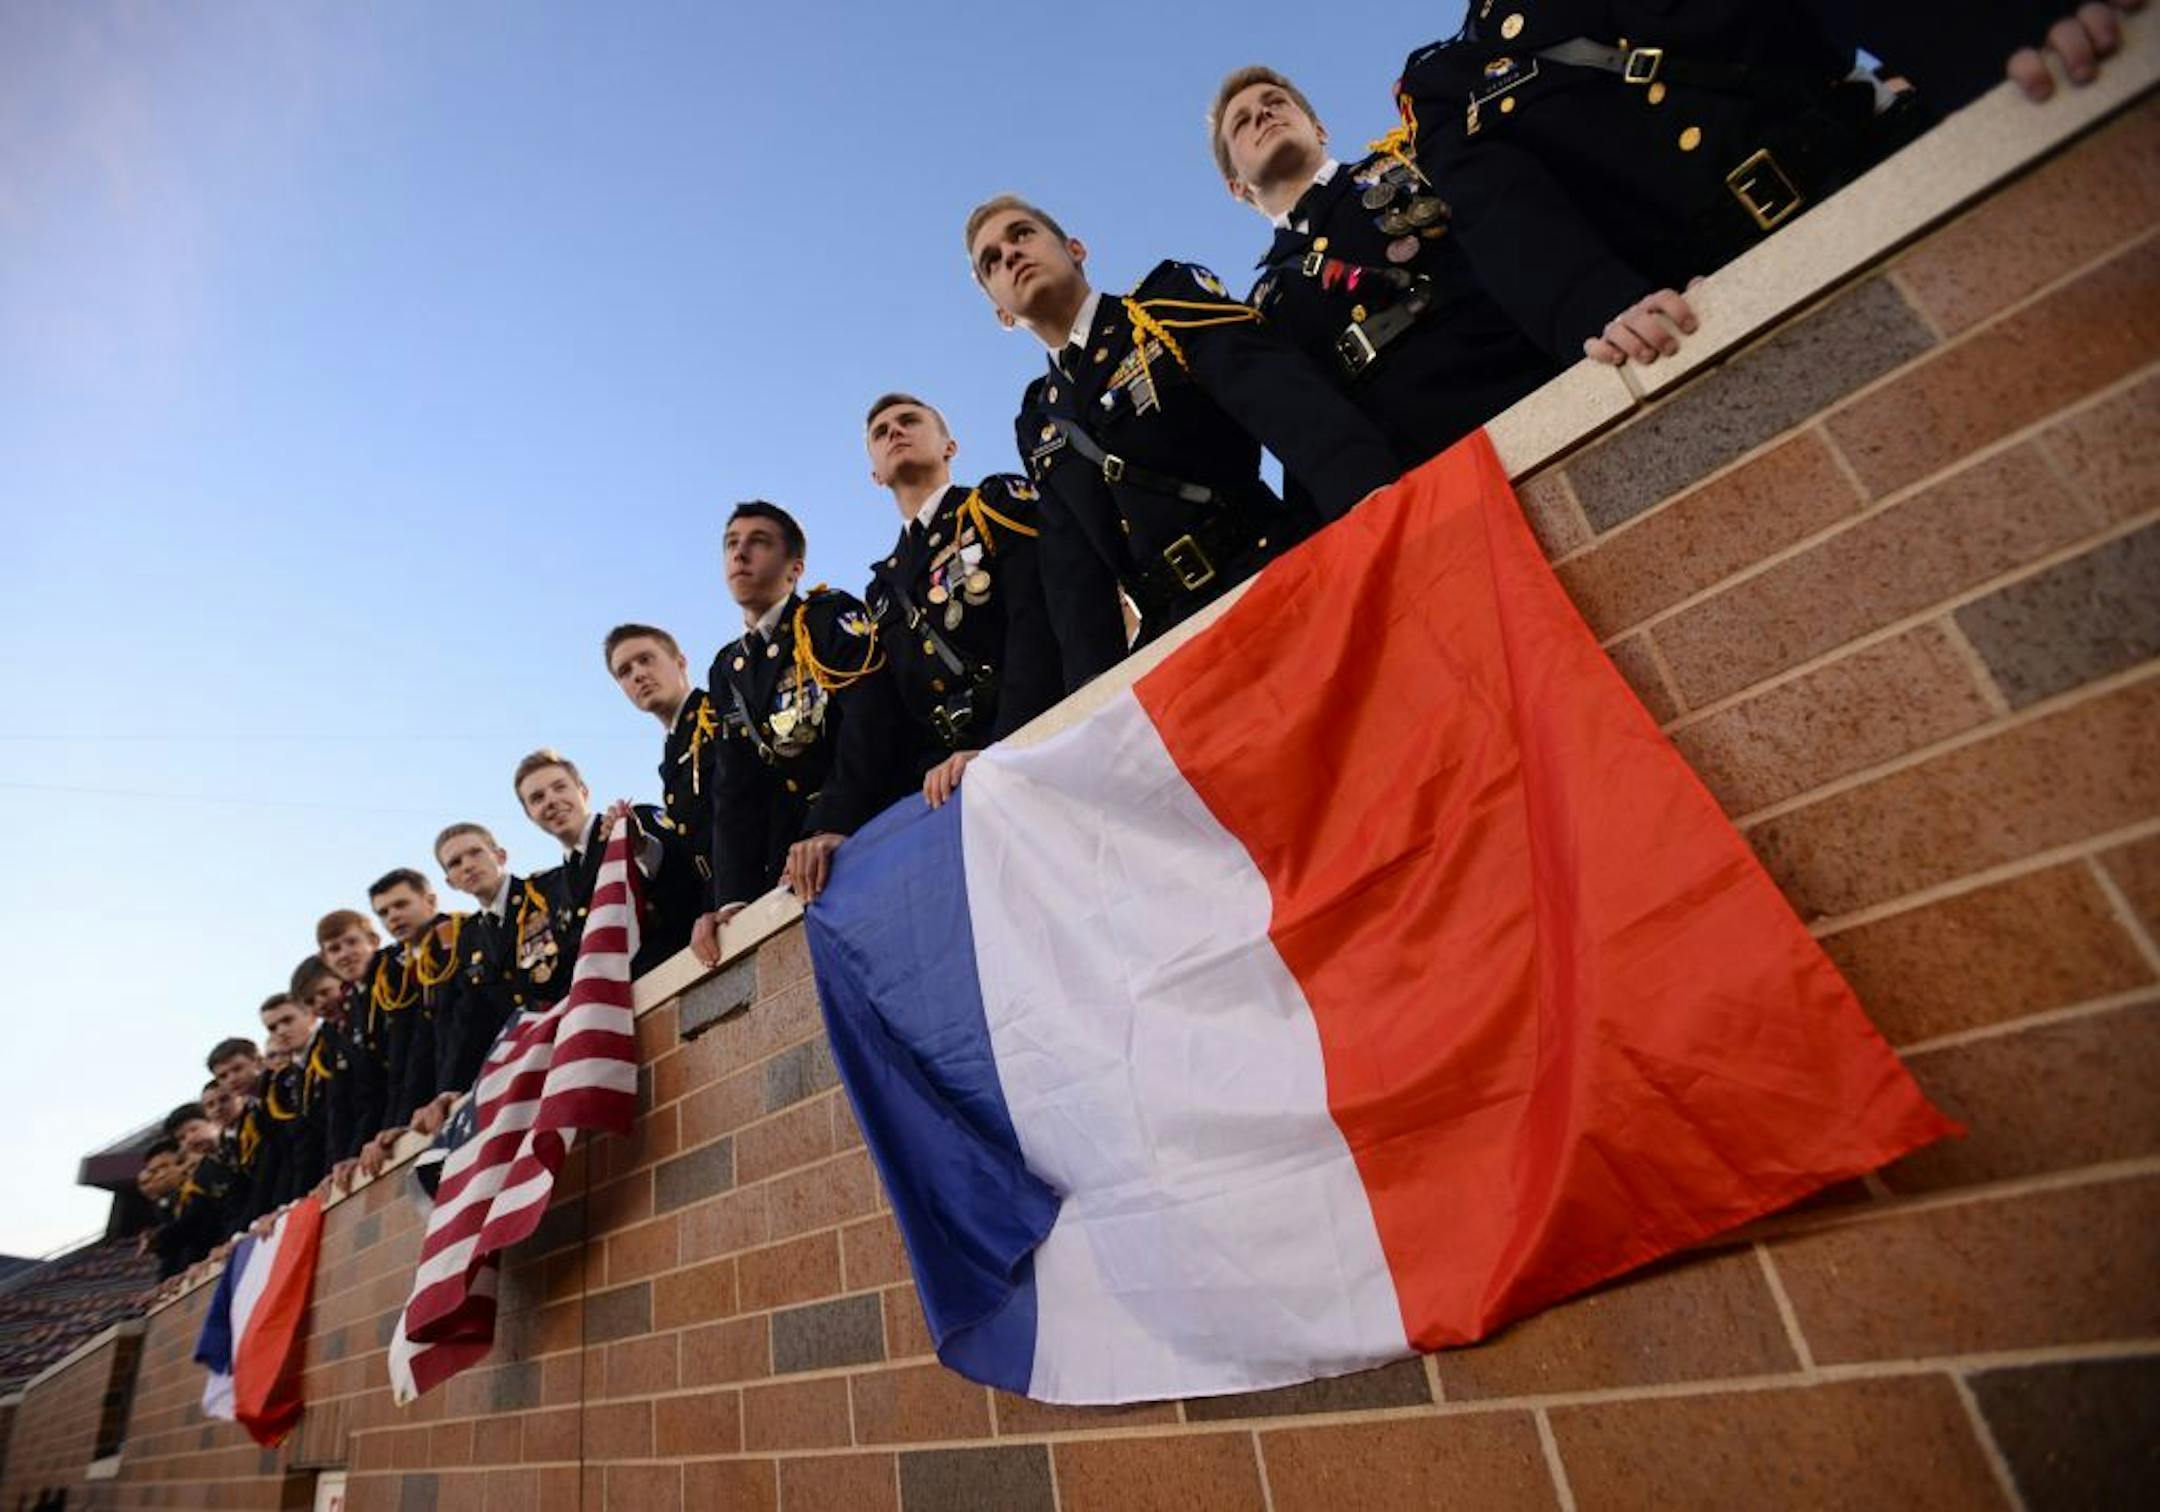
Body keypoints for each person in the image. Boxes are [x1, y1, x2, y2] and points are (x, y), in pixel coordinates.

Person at [963, 195, 1400, 688]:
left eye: (1022, 234)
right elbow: (1075, 580)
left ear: (1076, 249)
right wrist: (1091, 700)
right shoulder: (1039, 421)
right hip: (1174, 643)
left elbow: (1286, 406)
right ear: (1003, 314)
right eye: (992, 261)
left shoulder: (1161, 306)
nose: (1011, 254)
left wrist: (1368, 499)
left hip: (1270, 569)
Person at [1391, 3, 1932, 366]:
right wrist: (1604, 307)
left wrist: (1981, 57)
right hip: (1729, 283)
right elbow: (1504, 215)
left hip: (1891, 161)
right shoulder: (1448, 82)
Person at [1207, 67, 1559, 463]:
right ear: (1236, 186)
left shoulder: (1411, 165)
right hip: (1417, 471)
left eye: (1275, 102)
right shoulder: (1262, 305)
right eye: (1242, 122)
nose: (1263, 115)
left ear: (1320, 129)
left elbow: (1523, 242)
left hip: (1530, 393)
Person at [689, 501, 910, 962]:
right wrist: (734, 899)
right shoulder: (727, 667)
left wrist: (834, 823)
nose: (740, 554)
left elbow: (870, 722)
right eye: (732, 544)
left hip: (867, 818)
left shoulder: (828, 618)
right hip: (793, 859)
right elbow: (736, 789)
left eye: (758, 542)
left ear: (794, 569)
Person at [860, 392, 1064, 807]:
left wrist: (1007, 742)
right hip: (948, 782)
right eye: (880, 433)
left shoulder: (993, 506)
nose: (894, 431)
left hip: (1037, 738)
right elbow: (900, 709)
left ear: (949, 447)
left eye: (909, 421)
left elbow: (1037, 622)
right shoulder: (882, 590)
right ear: (876, 475)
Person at [514, 750, 701, 974]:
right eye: (537, 798)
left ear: (583, 790)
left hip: (674, 972)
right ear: (529, 814)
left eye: (559, 787)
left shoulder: (635, 822)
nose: (551, 801)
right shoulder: (552, 888)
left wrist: (640, 846)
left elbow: (687, 881)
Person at [435, 820, 561, 1095]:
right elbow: (470, 1020)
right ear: (450, 882)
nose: (467, 865)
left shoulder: (544, 892)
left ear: (500, 856)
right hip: (527, 1058)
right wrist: (450, 1089)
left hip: (568, 1031)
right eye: (455, 863)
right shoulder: (469, 937)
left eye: (475, 852)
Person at [354, 869, 467, 1172]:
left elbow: (467, 1025)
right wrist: (397, 1124)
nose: (393, 917)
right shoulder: (400, 967)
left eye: (401, 905)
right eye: (384, 912)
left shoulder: (459, 936)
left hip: (469, 1091)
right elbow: (411, 1058)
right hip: (430, 1106)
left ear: (429, 900)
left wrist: (449, 1091)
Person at [605, 624, 721, 890]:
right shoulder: (671, 755)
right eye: (625, 671)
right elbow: (696, 857)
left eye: (646, 660)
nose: (638, 674)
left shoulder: (722, 711)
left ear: (680, 662)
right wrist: (642, 844)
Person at [314, 907, 386, 1178]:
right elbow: (356, 1097)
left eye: (352, 942)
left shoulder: (393, 980)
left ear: (373, 941)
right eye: (334, 949)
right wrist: (344, 1159)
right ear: (324, 958)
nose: (344, 954)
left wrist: (392, 1127)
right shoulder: (349, 1011)